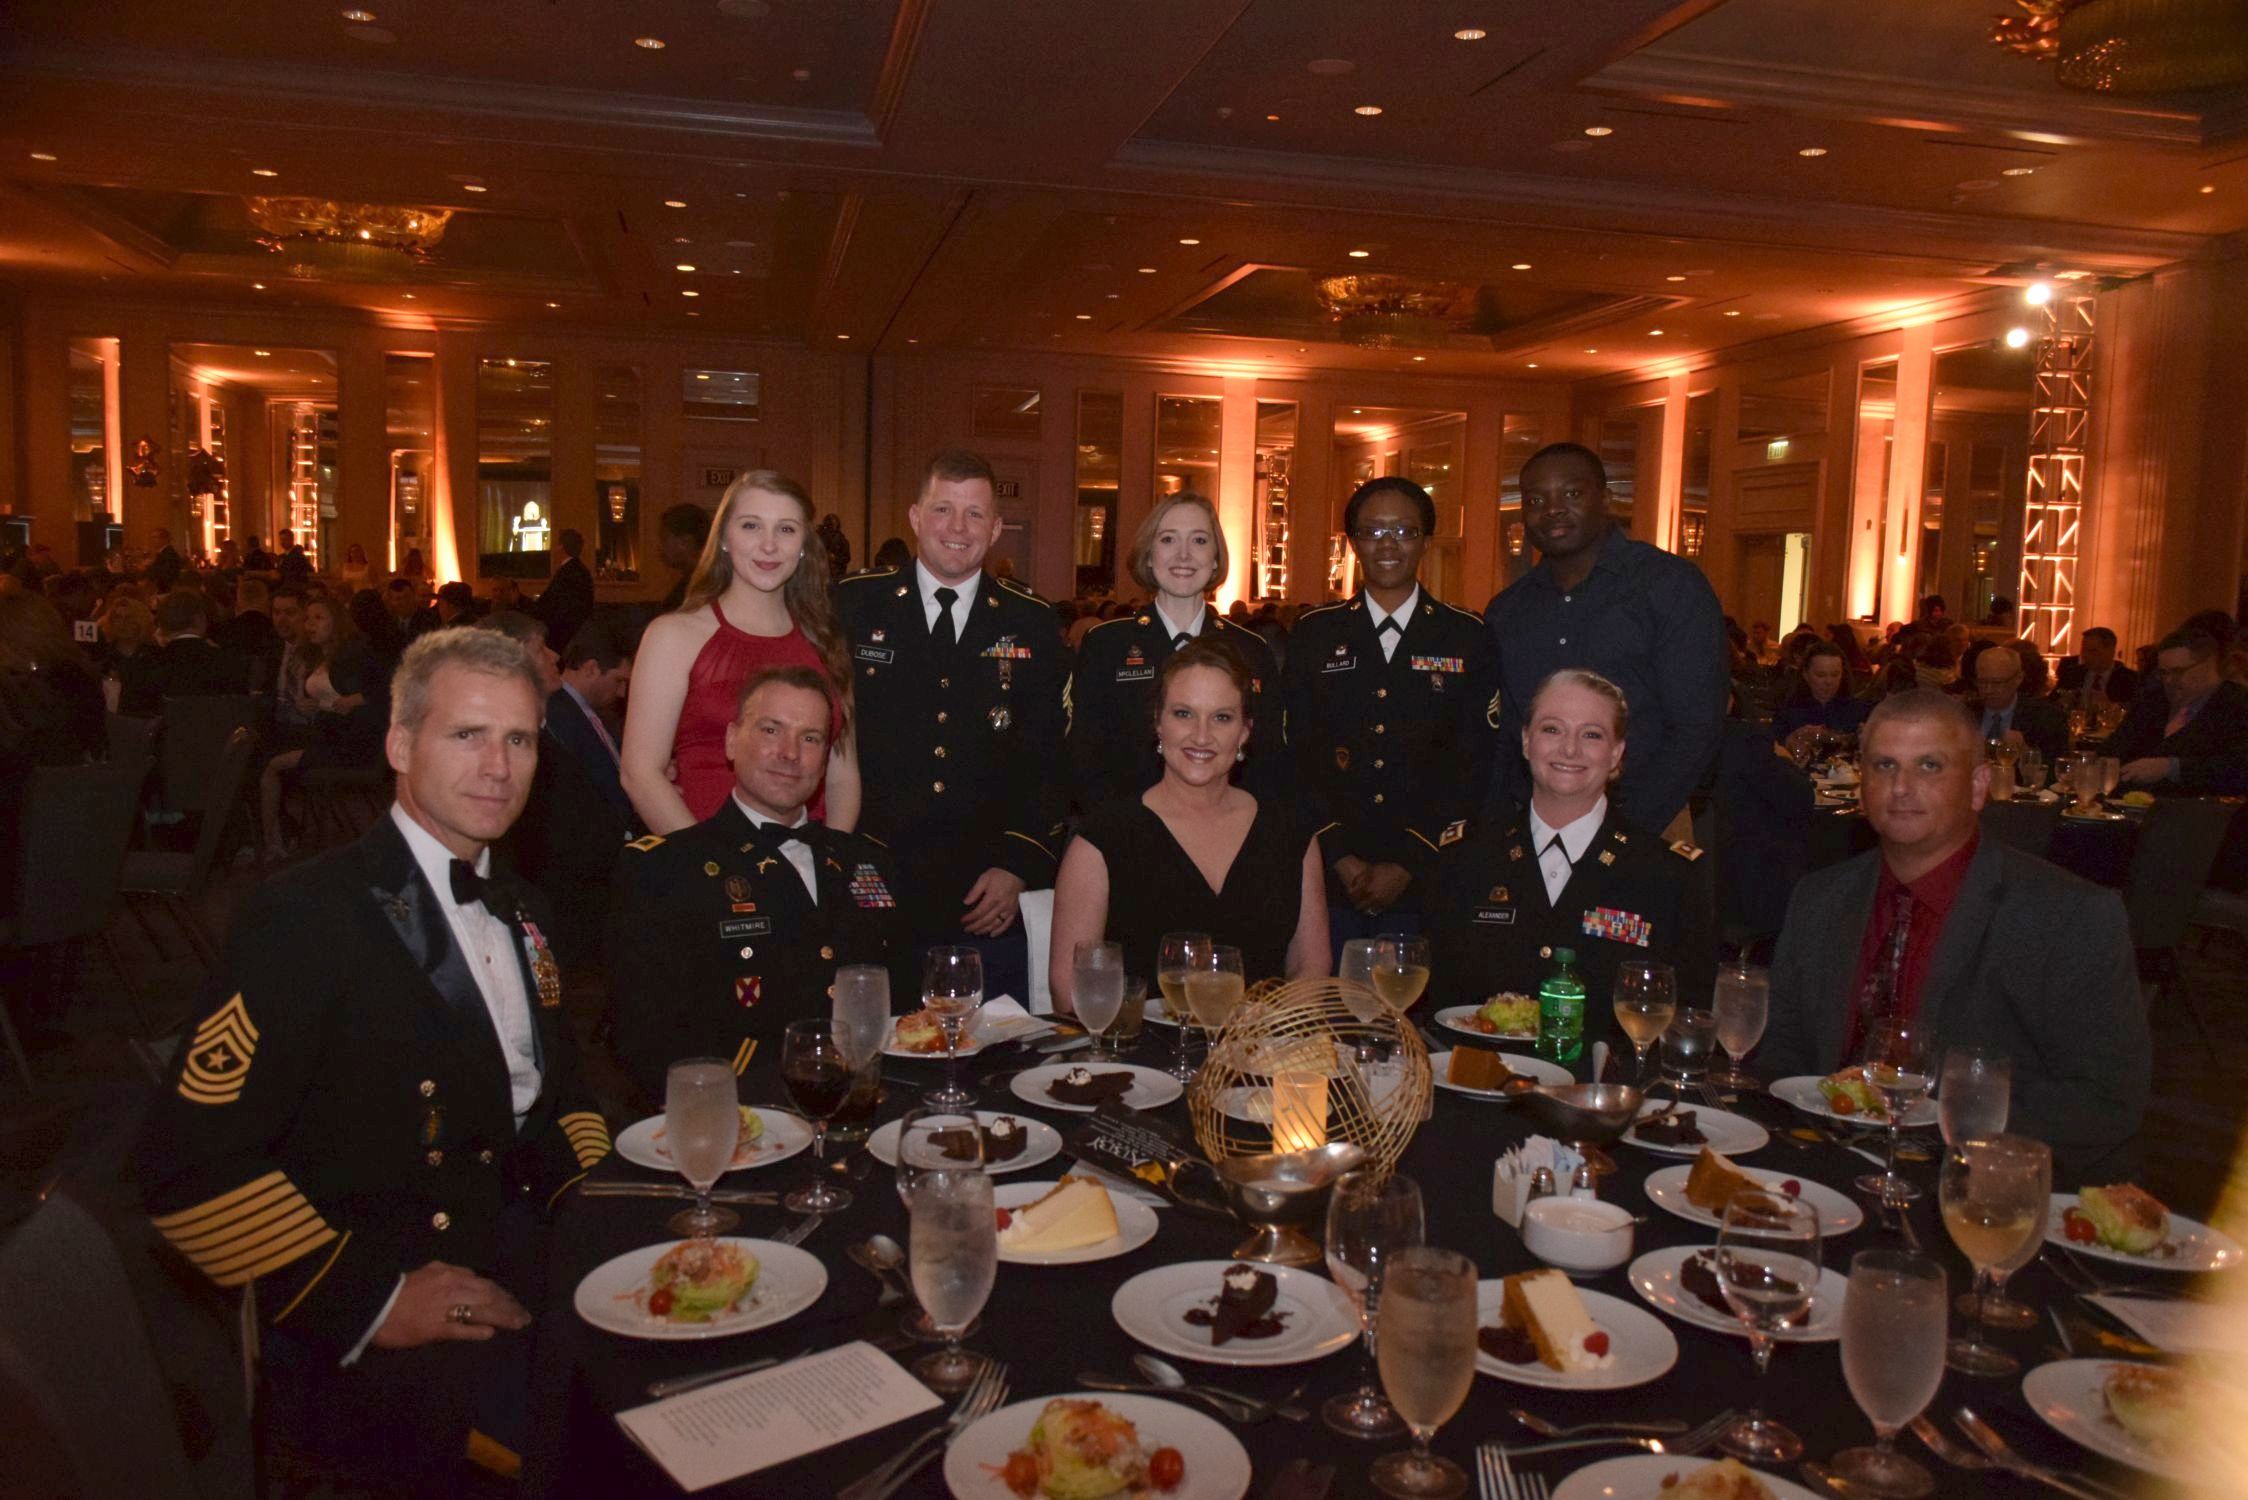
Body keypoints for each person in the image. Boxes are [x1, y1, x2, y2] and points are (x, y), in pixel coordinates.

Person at [137, 628, 612, 1485]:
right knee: (597, 1456)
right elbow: (185, 1167)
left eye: (519, 740)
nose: (498, 767)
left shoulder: (523, 908)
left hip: (522, 1248)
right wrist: (371, 1299)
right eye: (467, 734)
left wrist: (600, 1211)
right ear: (399, 744)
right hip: (374, 1308)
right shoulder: (306, 919)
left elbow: (559, 1094)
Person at [1759, 689, 2148, 1184]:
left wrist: (1940, 1136)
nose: (1901, 787)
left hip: (1979, 1188)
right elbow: (1782, 1049)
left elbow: (2105, 1099)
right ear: (1861, 785)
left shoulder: (2067, 916)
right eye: (1883, 765)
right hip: (1821, 1172)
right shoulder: (1820, 898)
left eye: (1929, 766)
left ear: (1979, 786)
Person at [608, 664, 913, 1104]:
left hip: (872, 1105)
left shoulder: (868, 862)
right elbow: (647, 1041)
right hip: (745, 1113)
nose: (790, 753)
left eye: (810, 738)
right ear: (732, 740)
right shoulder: (667, 870)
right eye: (771, 730)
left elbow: (905, 1009)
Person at [834, 449, 1066, 997]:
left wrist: (1018, 864)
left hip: (983, 889)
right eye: (943, 510)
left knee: (990, 1034)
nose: (957, 528)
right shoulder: (854, 605)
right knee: (873, 1029)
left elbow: (1050, 759)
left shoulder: (1030, 620)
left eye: (974, 514)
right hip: (874, 871)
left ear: (996, 529)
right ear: (916, 517)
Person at [1426, 669, 1711, 1075]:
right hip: (1479, 1091)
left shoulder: (1667, 876)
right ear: (1526, 741)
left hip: (1606, 1101)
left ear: (1617, 754)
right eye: (1552, 729)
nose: (1570, 748)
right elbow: (1436, 1009)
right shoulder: (1465, 859)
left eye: (1592, 734)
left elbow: (1688, 1024)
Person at [1051, 640, 1327, 1008]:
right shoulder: (1101, 840)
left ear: (1245, 731)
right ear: (1158, 723)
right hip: (1135, 1042)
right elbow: (1069, 990)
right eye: (1184, 714)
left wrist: (1261, 1032)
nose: (1201, 735)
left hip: (1261, 1040)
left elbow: (1312, 968)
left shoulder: (1291, 834)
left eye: (1222, 717)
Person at [1285, 476, 1497, 946]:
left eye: (1403, 531)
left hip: (1430, 872)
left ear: (1426, 541)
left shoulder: (1465, 636)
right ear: (1353, 542)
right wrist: (1339, 856)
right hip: (1330, 873)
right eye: (1372, 531)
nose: (1387, 544)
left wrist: (1409, 861)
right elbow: (1296, 754)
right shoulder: (1316, 633)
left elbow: (1475, 760)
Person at [1484, 442, 1727, 840]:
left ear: (1606, 500)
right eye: (1536, 500)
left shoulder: (1668, 586)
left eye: (1571, 494)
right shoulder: (1507, 611)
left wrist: (1619, 830)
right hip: (1535, 827)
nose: (1553, 509)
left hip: (1650, 823)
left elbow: (1696, 727)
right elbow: (1506, 737)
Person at [621, 471, 857, 835]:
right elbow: (640, 773)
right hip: (703, 852)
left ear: (804, 545)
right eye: (751, 526)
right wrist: (710, 863)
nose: (769, 545)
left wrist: (831, 859)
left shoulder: (825, 643)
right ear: (724, 539)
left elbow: (842, 776)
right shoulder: (673, 636)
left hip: (808, 855)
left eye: (786, 529)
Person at [1064, 492, 1282, 812]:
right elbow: (1083, 760)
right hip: (1126, 827)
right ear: (1149, 556)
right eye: (1168, 539)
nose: (1184, 554)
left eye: (1199, 540)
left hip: (1229, 827)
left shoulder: (1251, 651)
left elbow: (1269, 760)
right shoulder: (1106, 646)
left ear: (1216, 558)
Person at [259, 595, 385, 860]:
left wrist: (357, 699)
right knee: (266, 751)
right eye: (307, 619)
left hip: (350, 745)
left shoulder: (354, 653)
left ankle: (272, 841)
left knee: (272, 765)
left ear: (336, 621)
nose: (310, 625)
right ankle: (283, 832)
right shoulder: (321, 655)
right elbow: (328, 701)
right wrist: (311, 706)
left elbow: (389, 687)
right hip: (328, 734)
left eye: (319, 618)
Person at [2111, 628, 2248, 793]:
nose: (2169, 680)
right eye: (2163, 673)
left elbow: (2237, 768)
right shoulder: (2154, 700)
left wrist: (2171, 768)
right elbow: (2115, 747)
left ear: (2208, 665)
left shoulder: (2238, 705)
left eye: (2178, 672)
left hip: (2200, 805)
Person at [544, 617, 632, 825]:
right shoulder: (559, 715)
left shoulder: (582, 711)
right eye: (619, 680)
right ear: (591, 669)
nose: (621, 693)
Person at [122, 589, 247, 713]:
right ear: (200, 620)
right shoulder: (229, 663)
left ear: (162, 625)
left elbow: (132, 716)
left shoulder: (144, 666)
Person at [1972, 640, 2069, 762]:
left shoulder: (2046, 717)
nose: (1988, 690)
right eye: (1982, 682)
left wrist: (2026, 753)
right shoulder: (1965, 714)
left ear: (2018, 679)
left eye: (1997, 683)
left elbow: (2057, 767)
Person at [1771, 641, 1870, 749]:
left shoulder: (1858, 710)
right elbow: (1775, 745)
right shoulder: (1788, 711)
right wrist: (1794, 738)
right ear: (1806, 675)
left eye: (1835, 675)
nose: (1829, 681)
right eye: (1821, 675)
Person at [532, 527, 594, 652]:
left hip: (560, 634)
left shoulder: (566, 572)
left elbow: (554, 602)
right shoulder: (582, 571)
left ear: (561, 547)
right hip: (576, 632)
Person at [2056, 626, 2139, 706]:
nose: (2085, 655)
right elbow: (2053, 703)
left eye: (2092, 651)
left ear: (2111, 651)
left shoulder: (2129, 680)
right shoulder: (2071, 675)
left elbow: (2134, 710)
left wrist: (2111, 707)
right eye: (2083, 650)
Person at [654, 503, 712, 615]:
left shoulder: (697, 589)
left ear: (685, 542)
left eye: (664, 538)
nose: (660, 547)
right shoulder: (708, 580)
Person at [147, 527, 185, 592]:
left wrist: (147, 569)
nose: (152, 541)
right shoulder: (163, 553)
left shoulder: (169, 554)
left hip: (165, 590)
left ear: (164, 539)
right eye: (152, 538)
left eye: (155, 537)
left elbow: (165, 575)